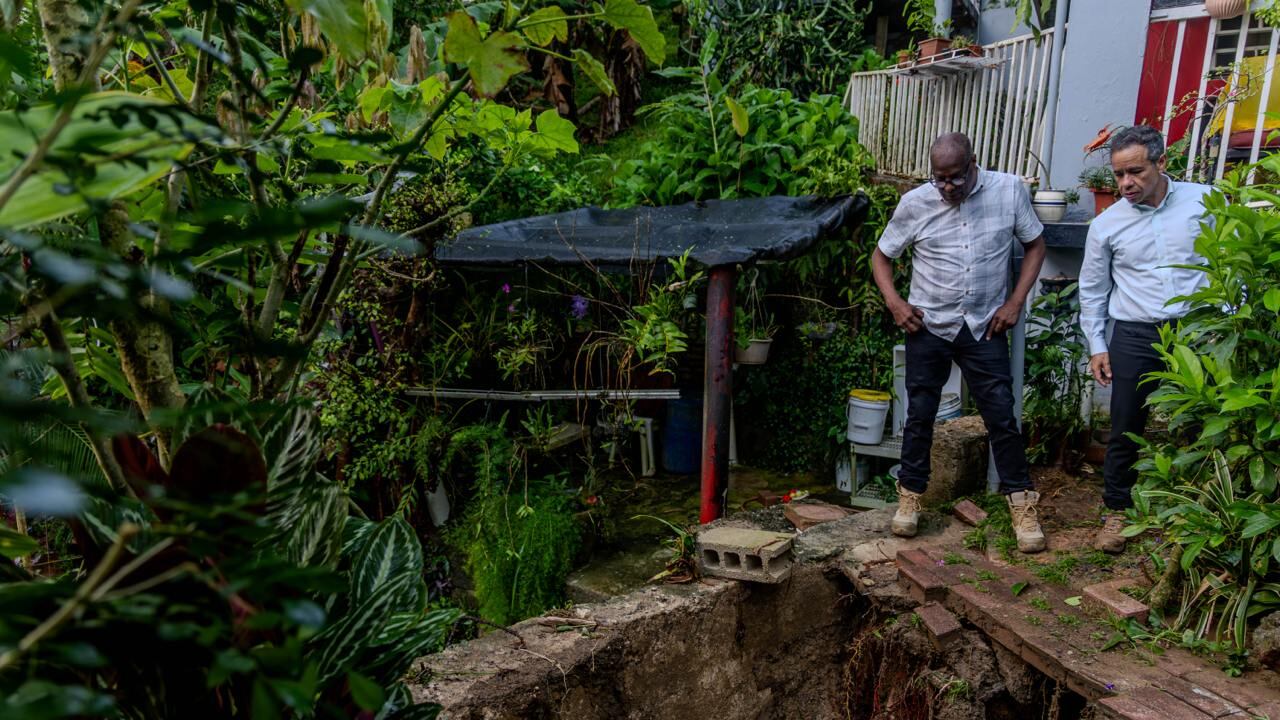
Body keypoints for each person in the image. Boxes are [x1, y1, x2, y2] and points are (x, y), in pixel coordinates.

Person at [871, 132, 1048, 553]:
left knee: (1001, 415)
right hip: (928, 324)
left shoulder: (1008, 192)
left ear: (974, 165)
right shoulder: (916, 203)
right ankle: (910, 500)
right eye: (939, 179)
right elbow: (882, 256)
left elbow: (1036, 244)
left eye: (955, 178)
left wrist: (1015, 301)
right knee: (919, 414)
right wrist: (896, 303)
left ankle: (1022, 508)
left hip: (984, 326)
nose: (947, 187)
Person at [1079, 125, 1213, 554]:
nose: (1125, 184)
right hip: (1136, 333)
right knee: (1125, 426)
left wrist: (1225, 324)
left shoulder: (1204, 202)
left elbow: (1227, 259)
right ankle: (1116, 511)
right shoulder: (1107, 225)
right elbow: (1093, 289)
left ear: (1161, 163)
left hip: (1197, 329)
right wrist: (1097, 344)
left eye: (1135, 172)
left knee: (1204, 422)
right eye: (1118, 176)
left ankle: (1201, 512)